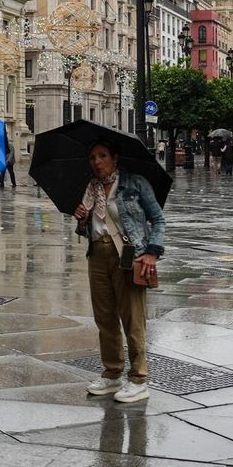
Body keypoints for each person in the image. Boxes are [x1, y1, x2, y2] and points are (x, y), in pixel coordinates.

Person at [72, 139, 165, 403]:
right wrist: (82, 219)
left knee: (132, 317)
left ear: (115, 158)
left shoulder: (135, 183)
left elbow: (158, 219)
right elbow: (87, 230)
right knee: (104, 317)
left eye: (102, 155)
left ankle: (138, 378)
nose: (96, 162)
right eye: (92, 157)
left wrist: (152, 252)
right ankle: (112, 372)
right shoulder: (90, 188)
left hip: (128, 256)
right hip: (97, 255)